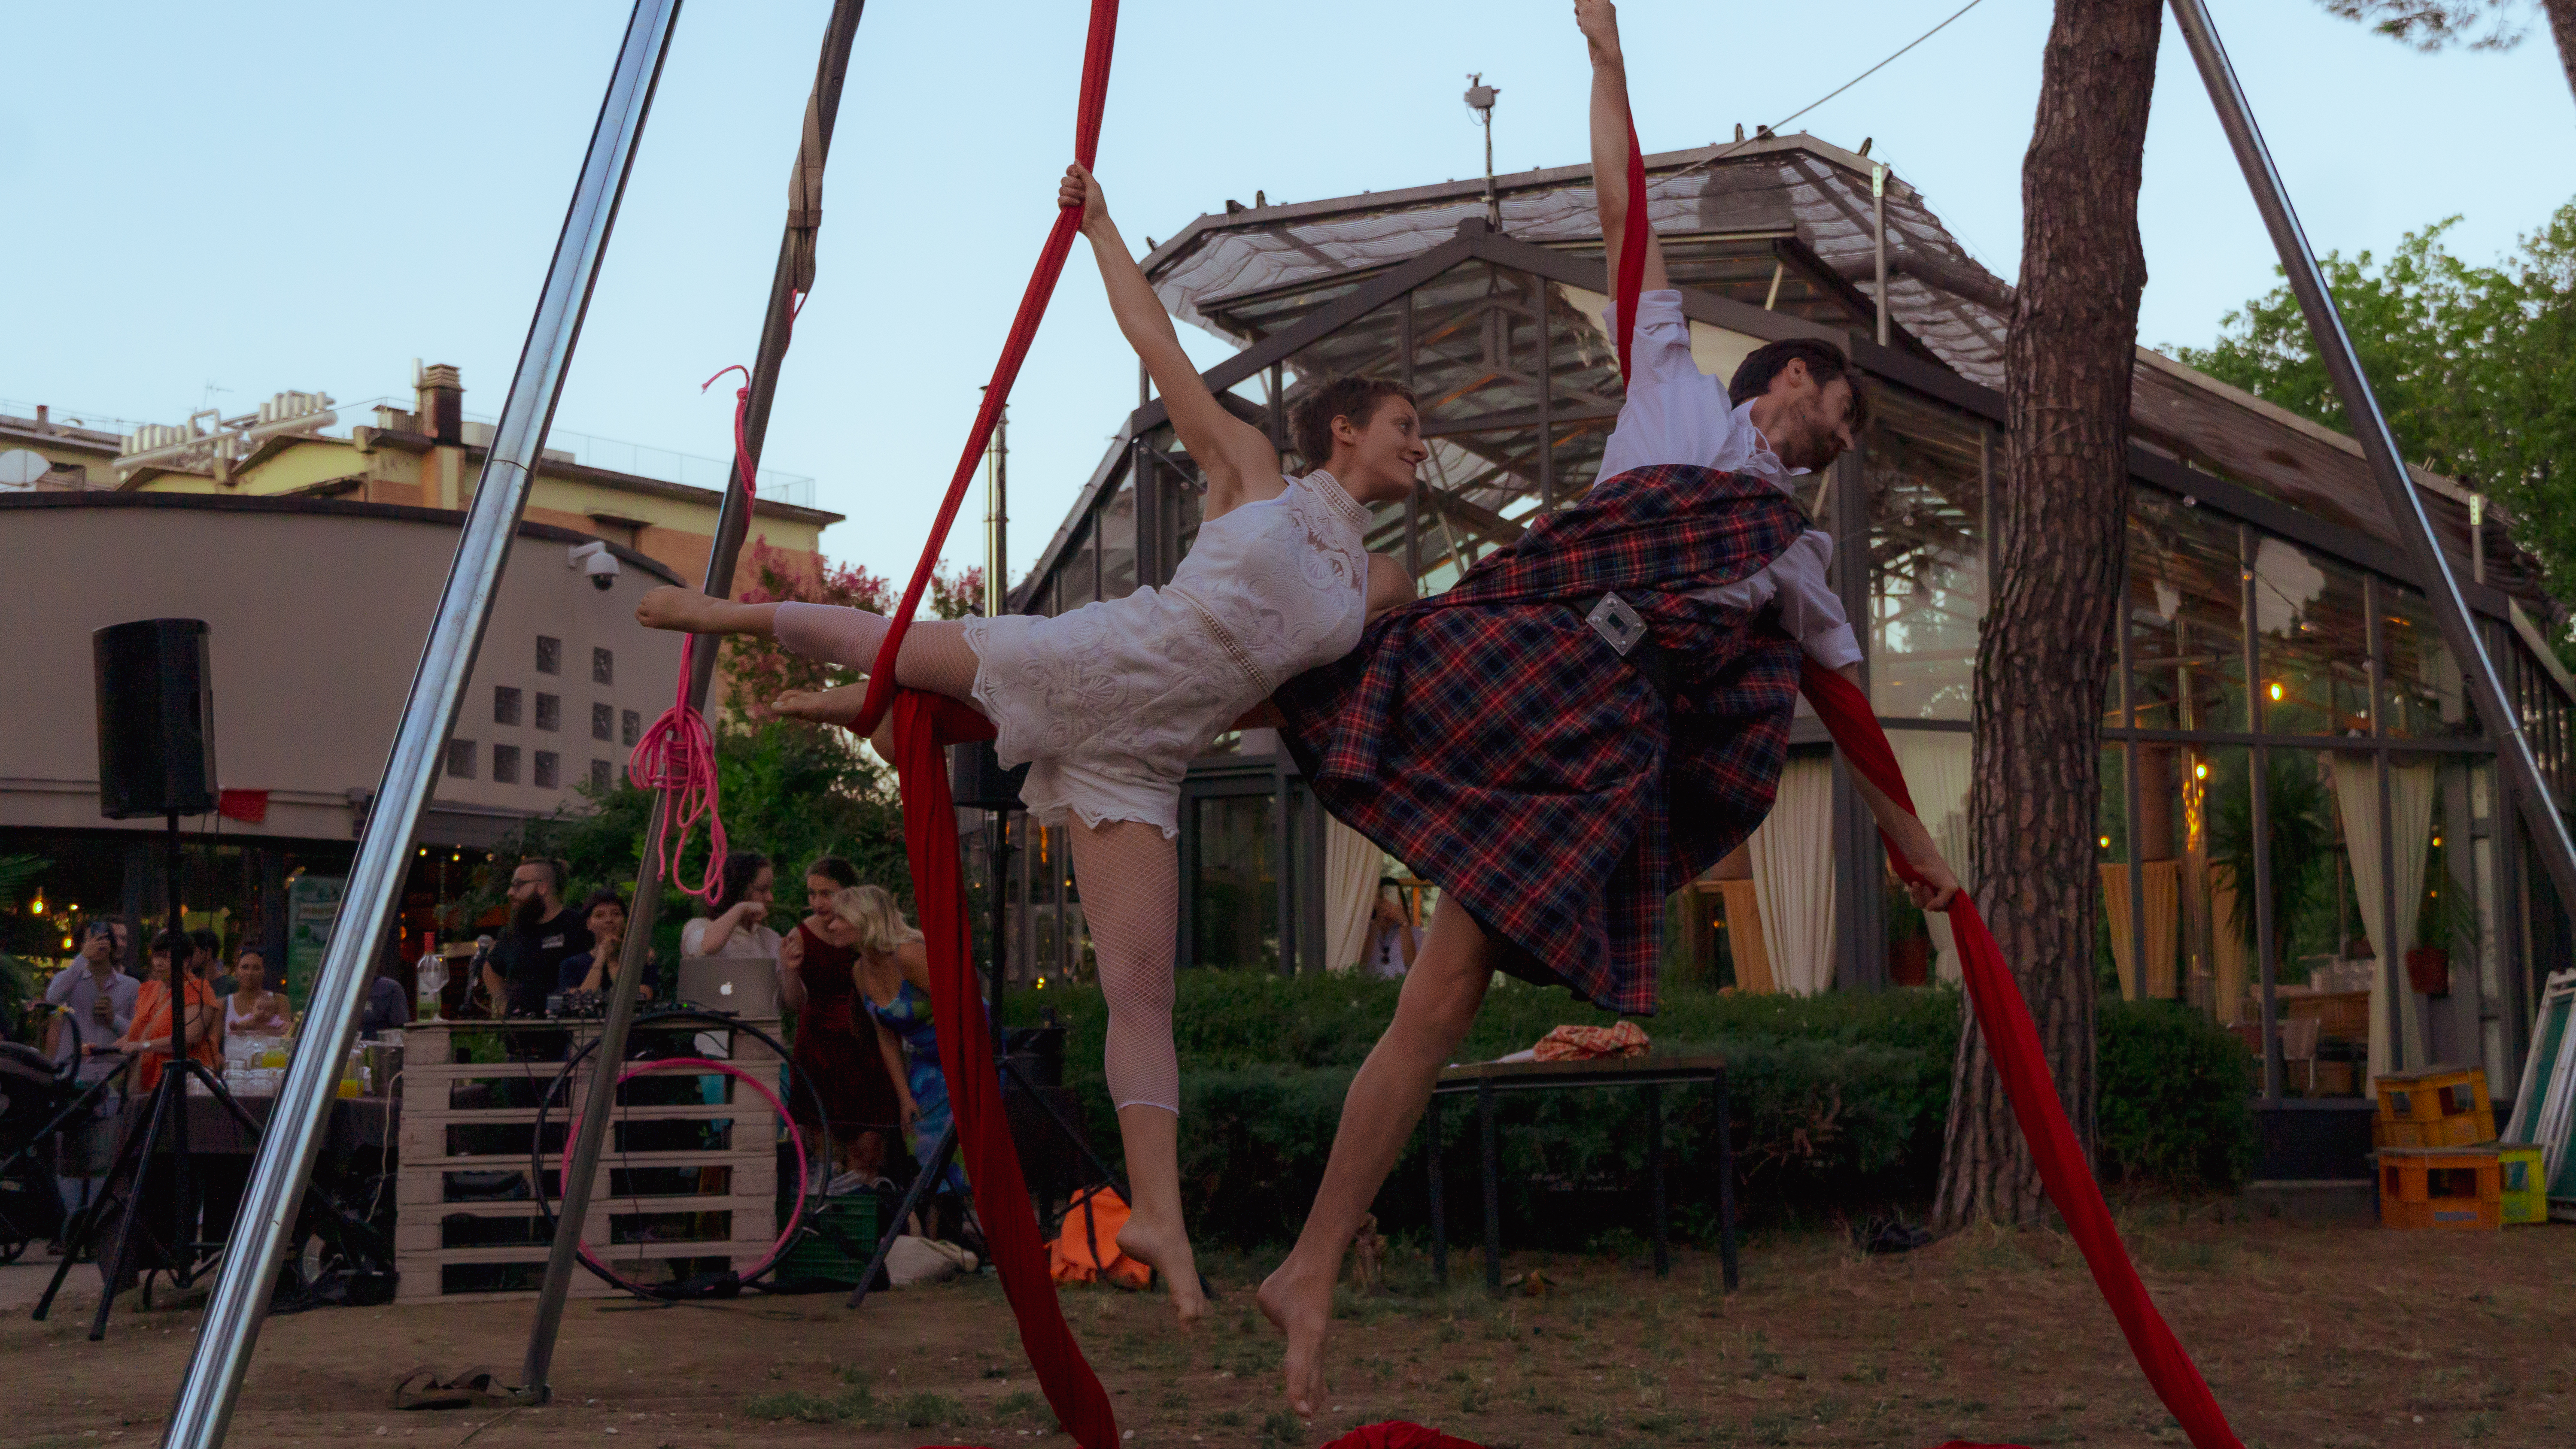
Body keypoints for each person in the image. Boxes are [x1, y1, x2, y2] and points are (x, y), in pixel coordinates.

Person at [1244, 2, 1968, 1412]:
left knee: (1443, 996)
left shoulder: (1800, 560)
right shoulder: (1676, 385)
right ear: (1801, 377)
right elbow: (1624, 208)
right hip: (1528, 648)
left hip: (1581, 749)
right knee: (1337, 647)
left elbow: (1855, 724)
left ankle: (1311, 1259)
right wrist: (1608, 62)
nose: (1842, 446)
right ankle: (1098, 692)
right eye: (1846, 415)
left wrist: (1914, 851)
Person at [633, 166, 1425, 1325]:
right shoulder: (1253, 471)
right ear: (1346, 429)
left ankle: (1157, 1216)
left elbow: (1316, 681)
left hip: (1147, 758)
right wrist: (1101, 228)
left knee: (1137, 991)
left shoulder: (1378, 578)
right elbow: (1155, 343)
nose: (1425, 441)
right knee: (902, 646)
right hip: (1098, 662)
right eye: (1408, 425)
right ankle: (733, 615)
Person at [840, 885, 968, 1206]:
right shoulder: (860, 970)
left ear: (864, 919)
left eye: (840, 919)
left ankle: (975, 1229)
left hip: (963, 1053)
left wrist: (965, 1076)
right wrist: (904, 1097)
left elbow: (961, 1009)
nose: (831, 926)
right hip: (925, 1060)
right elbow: (886, 1035)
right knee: (925, 1148)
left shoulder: (909, 955)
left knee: (963, 1151)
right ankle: (941, 1235)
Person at [774, 858, 899, 1186]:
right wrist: (789, 969)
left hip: (864, 1040)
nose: (817, 903)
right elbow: (793, 1004)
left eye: (826, 894)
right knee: (822, 1150)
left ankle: (869, 1216)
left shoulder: (865, 930)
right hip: (818, 1045)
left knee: (868, 1147)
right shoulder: (800, 935)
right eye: (812, 894)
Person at [43, 923, 137, 1239]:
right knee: (69, 1153)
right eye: (92, 940)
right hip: (73, 1077)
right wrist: (80, 960)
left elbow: (137, 1036)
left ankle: (98, 1231)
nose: (99, 946)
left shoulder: (129, 986)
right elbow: (52, 998)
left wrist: (114, 1021)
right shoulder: (72, 980)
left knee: (104, 1155)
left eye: (103, 941)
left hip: (109, 1078)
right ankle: (71, 1228)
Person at [107, 931, 222, 1095]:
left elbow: (187, 1039)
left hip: (177, 1086)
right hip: (141, 1082)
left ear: (186, 960)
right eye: (156, 957)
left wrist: (141, 1045)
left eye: (166, 957)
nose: (159, 963)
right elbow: (146, 1031)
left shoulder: (199, 990)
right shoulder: (150, 989)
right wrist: (124, 1042)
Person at [484, 858, 590, 1019]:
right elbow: (491, 969)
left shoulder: (577, 926)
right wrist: (502, 1004)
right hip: (520, 1035)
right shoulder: (515, 931)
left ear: (542, 887)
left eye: (518, 885)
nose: (510, 893)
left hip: (568, 1033)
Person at [559, 888, 658, 1000]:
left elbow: (642, 997)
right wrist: (601, 958)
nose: (609, 920)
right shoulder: (571, 965)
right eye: (600, 915)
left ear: (626, 921)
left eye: (616, 914)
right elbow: (578, 1002)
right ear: (589, 924)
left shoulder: (642, 960)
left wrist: (612, 961)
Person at [223, 947, 291, 1039]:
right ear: (236, 971)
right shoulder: (224, 1004)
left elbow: (287, 1037)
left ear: (264, 971)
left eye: (256, 968)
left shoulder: (280, 1001)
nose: (250, 973)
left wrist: (253, 1026)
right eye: (245, 967)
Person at [1360, 880, 1422, 979]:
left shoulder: (1416, 933)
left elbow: (1412, 965)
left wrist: (1403, 922)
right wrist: (1377, 922)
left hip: (1399, 988)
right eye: (1381, 897)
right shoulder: (1363, 932)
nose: (1387, 902)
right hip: (1370, 989)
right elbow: (1361, 964)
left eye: (1392, 897)